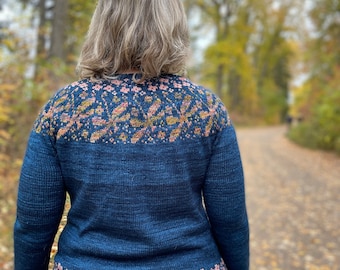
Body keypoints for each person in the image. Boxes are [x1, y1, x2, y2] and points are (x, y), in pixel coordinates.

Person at [14, 0, 249, 269]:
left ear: (102, 25)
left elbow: (32, 226)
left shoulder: (64, 108)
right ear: (173, 25)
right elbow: (231, 220)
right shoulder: (205, 109)